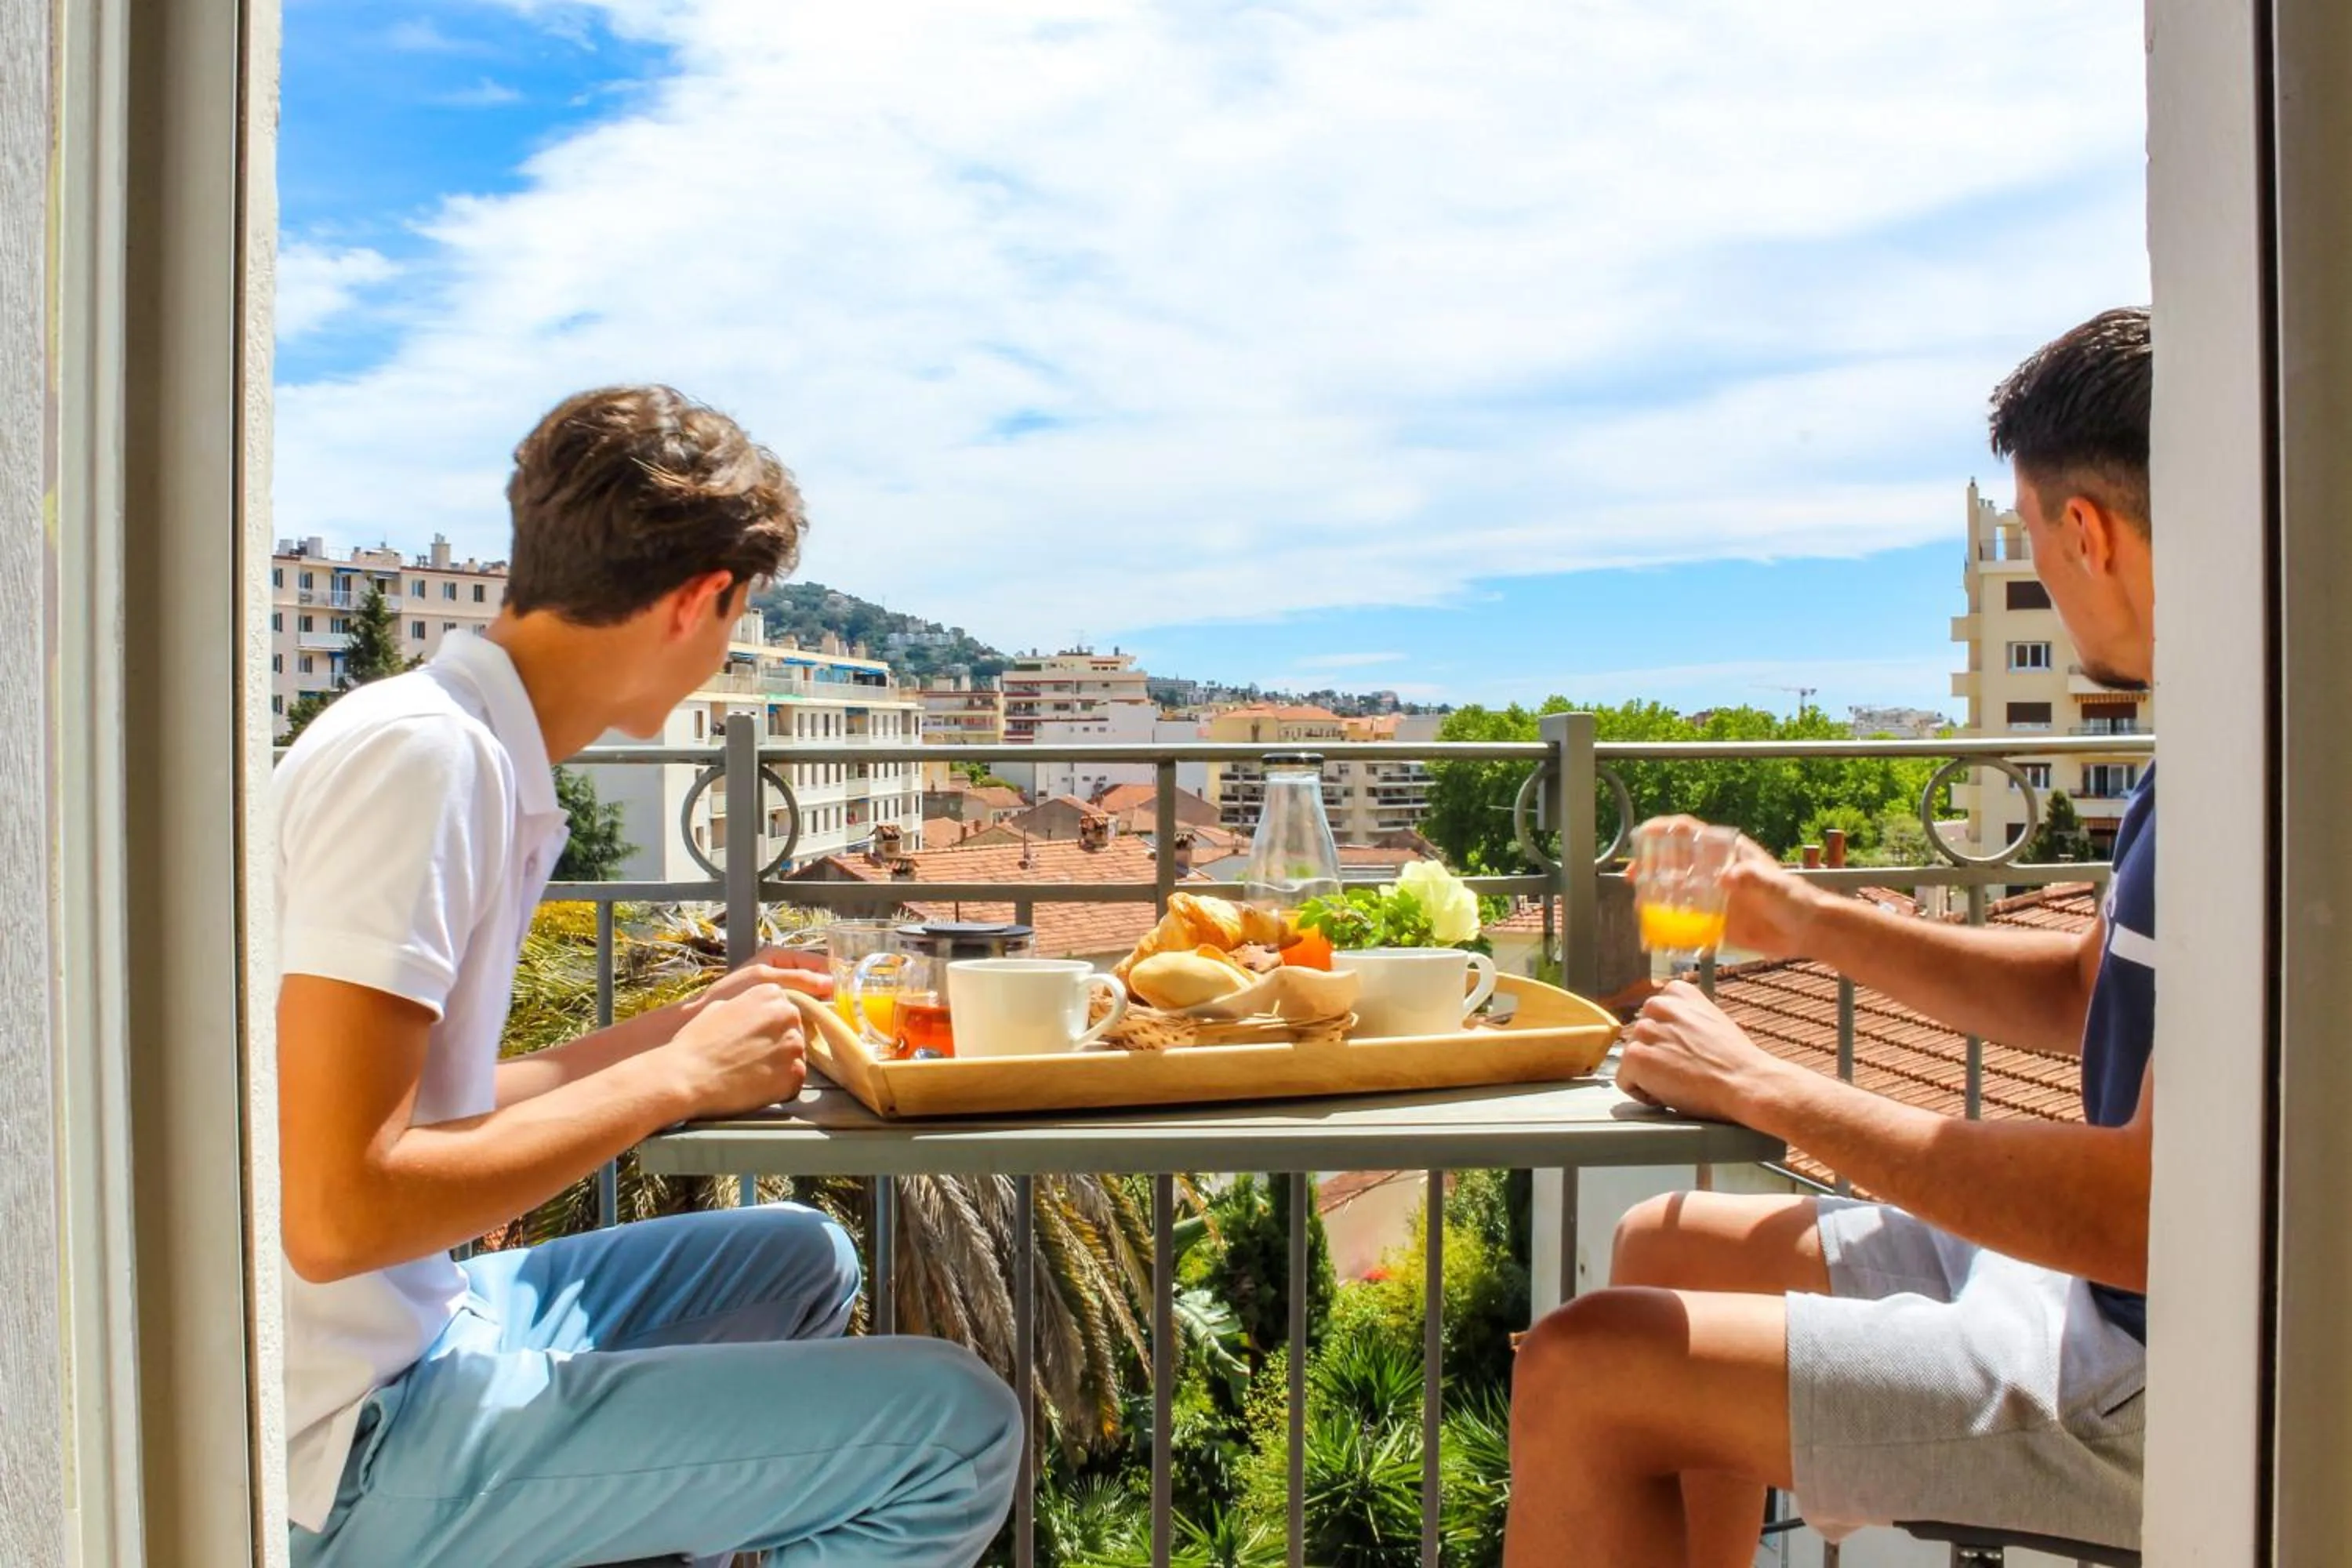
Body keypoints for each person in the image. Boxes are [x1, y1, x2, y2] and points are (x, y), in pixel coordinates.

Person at [276, 386, 1022, 1568]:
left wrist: (676, 1031)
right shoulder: (422, 764)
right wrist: (672, 1081)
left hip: (414, 1328)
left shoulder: (461, 746)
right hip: (343, 1439)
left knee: (795, 1255)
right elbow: (336, 1213)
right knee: (957, 1429)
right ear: (698, 602)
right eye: (738, 617)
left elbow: (427, 1109)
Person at [1505, 307, 2155, 1564]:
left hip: (2147, 1363)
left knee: (1588, 1371)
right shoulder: (2196, 759)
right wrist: (1802, 914)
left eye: (2035, 545)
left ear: (2087, 532)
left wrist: (1770, 1086)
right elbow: (2086, 991)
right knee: (1664, 1245)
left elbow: (2139, 1212)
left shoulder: (2260, 780)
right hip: (2097, 1295)